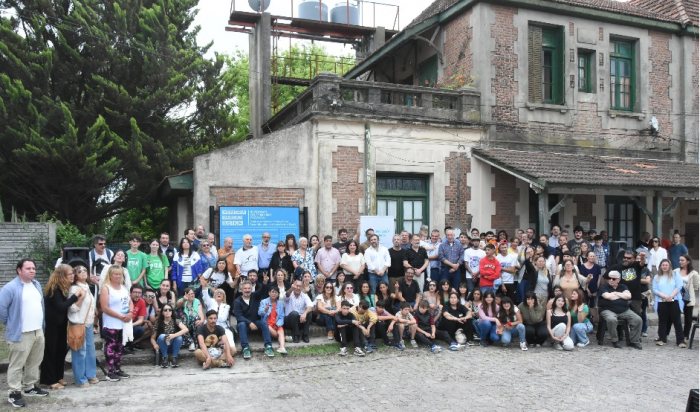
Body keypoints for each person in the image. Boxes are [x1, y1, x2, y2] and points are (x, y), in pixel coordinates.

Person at [0, 259, 49, 407]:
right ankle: (14, 393)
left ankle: (30, 386)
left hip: (37, 331)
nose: (32, 271)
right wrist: (10, 324)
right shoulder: (10, 288)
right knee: (17, 364)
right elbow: (2, 310)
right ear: (19, 270)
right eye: (28, 268)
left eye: (33, 268)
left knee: (35, 361)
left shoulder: (36, 285)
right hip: (20, 334)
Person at [40, 264, 81, 389]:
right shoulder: (54, 289)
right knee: (51, 351)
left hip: (61, 324)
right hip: (52, 325)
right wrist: (76, 297)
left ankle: (58, 376)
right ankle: (49, 380)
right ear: (62, 276)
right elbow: (61, 306)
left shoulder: (64, 288)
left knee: (61, 350)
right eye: (69, 274)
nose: (72, 276)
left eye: (73, 274)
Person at [99, 265, 133, 381]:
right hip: (112, 323)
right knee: (111, 346)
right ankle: (110, 370)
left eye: (120, 274)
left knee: (120, 347)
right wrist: (120, 316)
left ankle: (118, 368)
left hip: (123, 323)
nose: (118, 276)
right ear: (110, 275)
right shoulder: (106, 288)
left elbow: (130, 302)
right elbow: (104, 308)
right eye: (116, 274)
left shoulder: (123, 287)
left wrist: (130, 313)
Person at [67, 265, 98, 387]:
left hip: (88, 323)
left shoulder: (88, 287)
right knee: (79, 351)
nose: (83, 272)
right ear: (75, 275)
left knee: (90, 350)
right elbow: (72, 308)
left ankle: (90, 374)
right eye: (79, 271)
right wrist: (81, 298)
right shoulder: (74, 289)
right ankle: (80, 378)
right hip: (78, 322)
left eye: (85, 270)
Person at [598, 270, 643, 349]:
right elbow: (607, 296)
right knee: (611, 319)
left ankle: (634, 341)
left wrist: (616, 293)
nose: (611, 280)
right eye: (609, 278)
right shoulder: (603, 286)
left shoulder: (623, 286)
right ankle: (615, 340)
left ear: (618, 280)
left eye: (613, 279)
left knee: (638, 319)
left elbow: (628, 296)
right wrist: (621, 295)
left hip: (624, 310)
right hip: (607, 310)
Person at [234, 280, 274, 359]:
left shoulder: (255, 296)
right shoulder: (237, 301)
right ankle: (245, 348)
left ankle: (268, 346)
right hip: (244, 324)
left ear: (252, 289)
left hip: (256, 322)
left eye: (249, 288)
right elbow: (239, 316)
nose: (247, 290)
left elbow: (262, 290)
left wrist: (265, 282)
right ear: (241, 289)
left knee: (263, 323)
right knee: (241, 324)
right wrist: (249, 323)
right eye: (245, 288)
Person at [653, 259, 685, 347]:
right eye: (663, 265)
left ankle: (680, 340)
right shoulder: (657, 277)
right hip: (662, 301)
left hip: (674, 300)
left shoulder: (675, 275)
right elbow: (655, 289)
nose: (665, 267)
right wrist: (664, 296)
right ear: (660, 266)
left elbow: (679, 286)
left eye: (666, 265)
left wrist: (671, 296)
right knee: (662, 321)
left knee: (677, 321)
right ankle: (662, 338)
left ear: (669, 266)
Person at [608, 249, 647, 316]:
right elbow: (606, 276)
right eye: (624, 257)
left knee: (636, 317)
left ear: (634, 259)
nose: (626, 259)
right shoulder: (618, 266)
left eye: (628, 258)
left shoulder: (636, 265)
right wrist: (613, 285)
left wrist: (642, 257)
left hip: (635, 297)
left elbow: (642, 263)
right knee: (622, 317)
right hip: (622, 296)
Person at [151, 303, 189, 368]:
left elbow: (185, 329)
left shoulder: (176, 321)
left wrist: (174, 335)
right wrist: (155, 345)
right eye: (165, 310)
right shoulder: (158, 322)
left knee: (179, 338)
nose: (168, 311)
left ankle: (174, 358)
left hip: (172, 345)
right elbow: (152, 338)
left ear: (172, 312)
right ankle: (164, 358)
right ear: (162, 312)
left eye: (170, 310)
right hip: (162, 345)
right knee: (162, 336)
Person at [259, 286, 288, 354]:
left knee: (280, 330)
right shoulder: (263, 302)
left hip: (276, 324)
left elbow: (281, 316)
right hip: (267, 324)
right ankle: (284, 338)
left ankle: (282, 347)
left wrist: (278, 324)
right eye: (272, 292)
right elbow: (259, 313)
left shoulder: (280, 304)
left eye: (276, 292)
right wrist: (265, 310)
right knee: (278, 334)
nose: (274, 294)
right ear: (269, 293)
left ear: (278, 294)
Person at [676, 254, 699, 341]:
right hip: (677, 297)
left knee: (688, 318)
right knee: (675, 316)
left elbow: (696, 286)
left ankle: (686, 335)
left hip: (688, 298)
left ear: (688, 262)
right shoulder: (676, 271)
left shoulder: (694, 273)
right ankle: (678, 334)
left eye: (682, 260)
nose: (680, 262)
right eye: (679, 260)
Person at [284, 279, 314, 343]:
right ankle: (296, 335)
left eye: (300, 286)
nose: (298, 288)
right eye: (296, 286)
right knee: (294, 314)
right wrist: (291, 289)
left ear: (302, 287)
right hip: (289, 320)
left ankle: (305, 335)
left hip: (300, 319)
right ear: (293, 286)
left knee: (309, 313)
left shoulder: (304, 296)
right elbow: (286, 295)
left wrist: (305, 313)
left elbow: (311, 306)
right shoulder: (289, 293)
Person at [125, 284, 151, 352]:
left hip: (131, 324)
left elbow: (141, 319)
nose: (137, 295)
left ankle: (128, 345)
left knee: (140, 330)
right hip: (121, 323)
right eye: (135, 292)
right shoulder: (125, 300)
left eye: (139, 293)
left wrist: (130, 325)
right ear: (130, 293)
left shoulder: (142, 301)